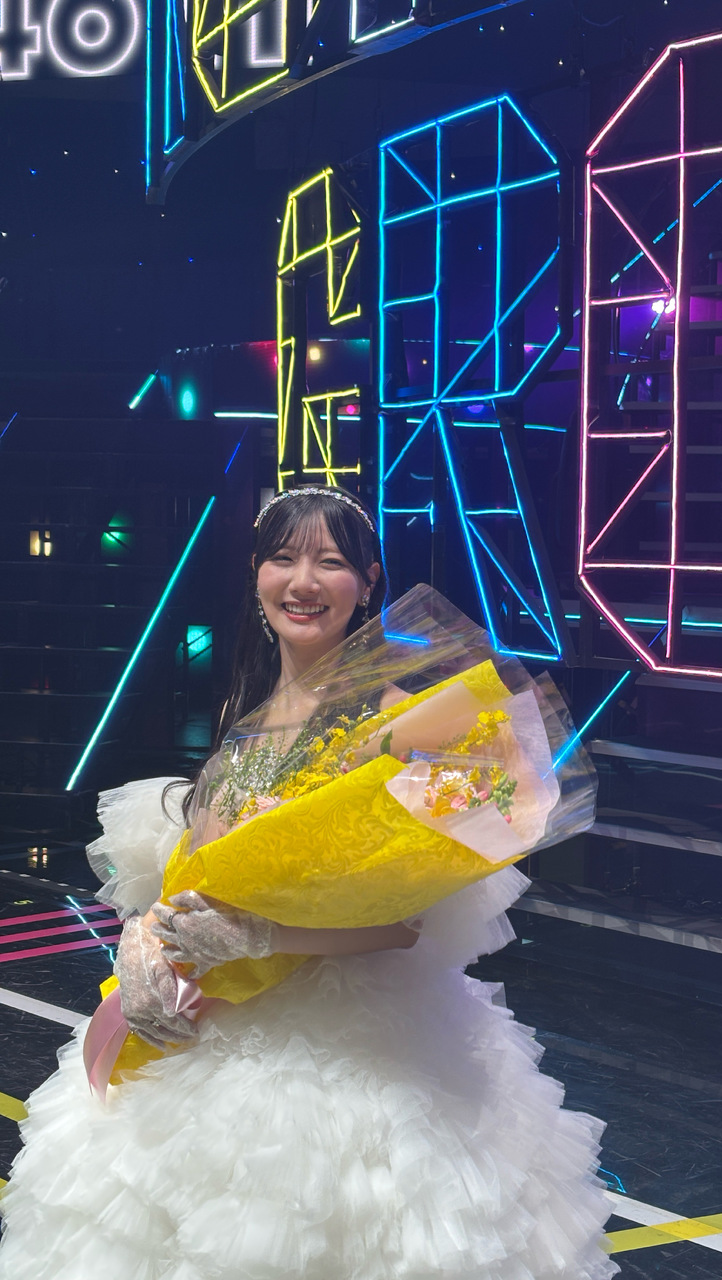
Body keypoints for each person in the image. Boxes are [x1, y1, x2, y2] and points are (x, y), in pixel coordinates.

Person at [0, 486, 619, 1280]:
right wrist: (149, 939)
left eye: (329, 562)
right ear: (256, 574)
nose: (303, 581)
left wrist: (265, 935)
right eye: (284, 558)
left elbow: (404, 925)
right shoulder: (247, 710)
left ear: (367, 582)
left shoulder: (398, 719)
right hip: (219, 1014)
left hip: (350, 1045)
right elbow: (208, 868)